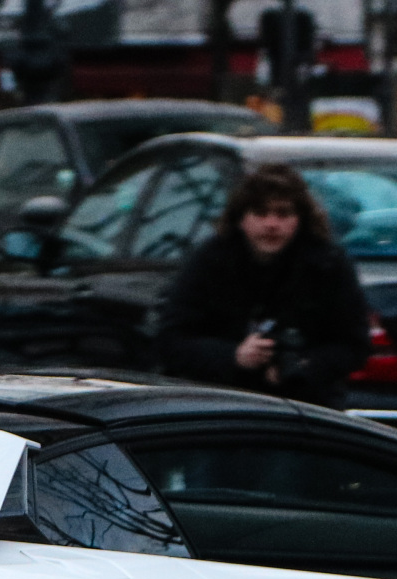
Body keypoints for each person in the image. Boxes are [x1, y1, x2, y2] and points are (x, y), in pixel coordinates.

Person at [151, 161, 371, 406]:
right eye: (260, 213)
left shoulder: (328, 264)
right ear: (241, 219)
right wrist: (233, 356)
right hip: (220, 404)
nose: (271, 224)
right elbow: (171, 340)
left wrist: (301, 366)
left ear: (300, 219)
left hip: (307, 408)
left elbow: (353, 344)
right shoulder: (210, 261)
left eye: (283, 213)